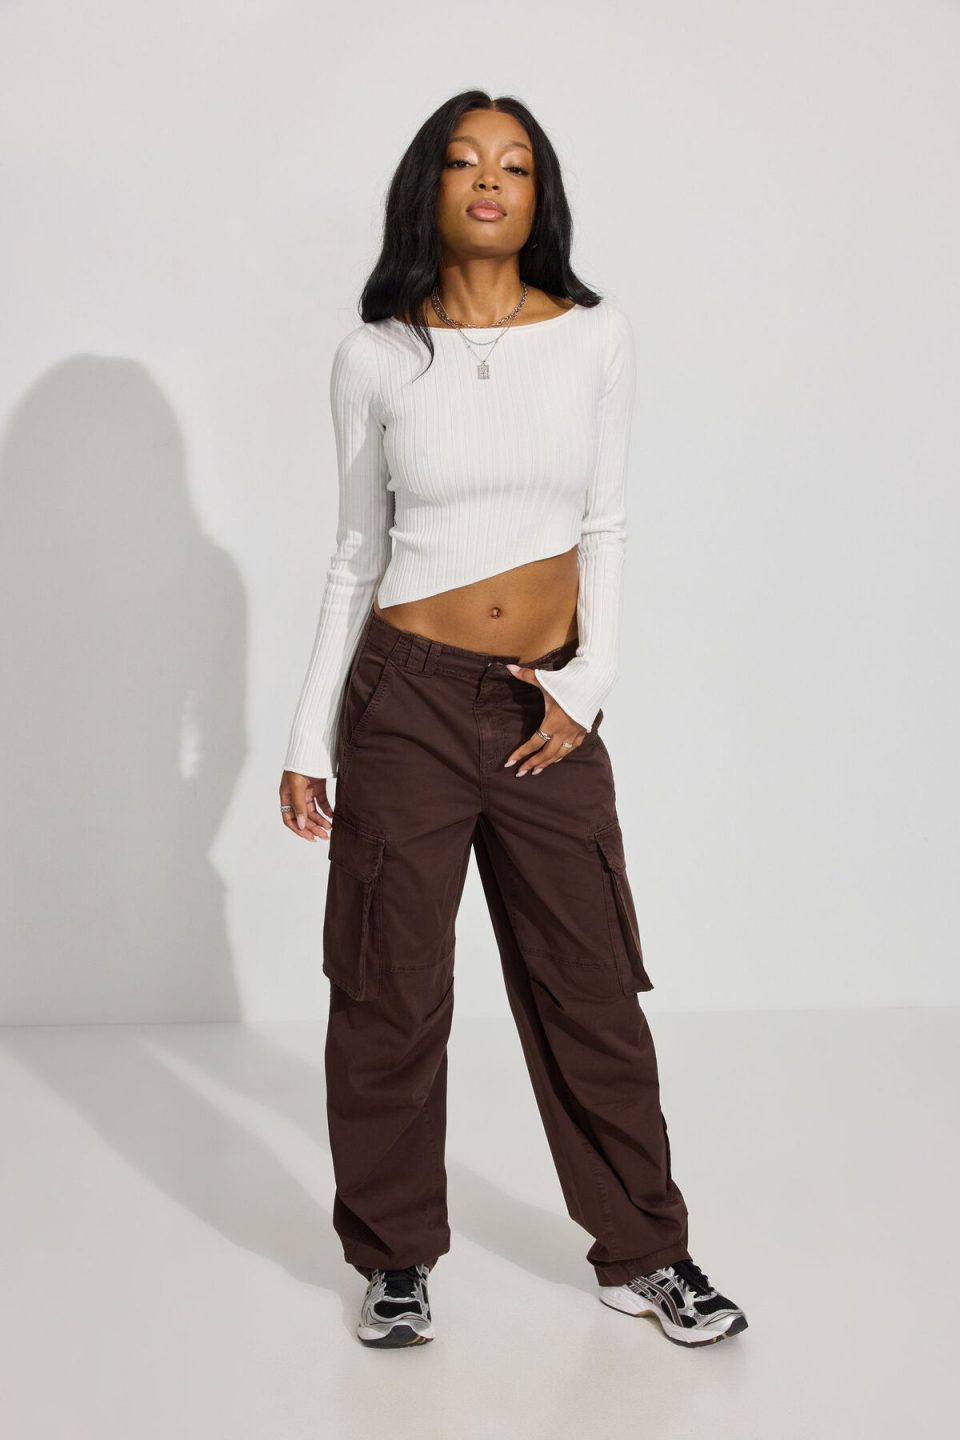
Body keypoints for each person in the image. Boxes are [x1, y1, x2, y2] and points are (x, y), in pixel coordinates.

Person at [279, 90, 748, 1350]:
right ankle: (394, 1260)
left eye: (516, 165)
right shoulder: (376, 356)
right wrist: (307, 736)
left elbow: (606, 524)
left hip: (545, 701)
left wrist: (586, 691)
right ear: (428, 187)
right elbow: (353, 552)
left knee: (591, 989)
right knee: (387, 992)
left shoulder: (594, 337)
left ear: (541, 197)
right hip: (405, 704)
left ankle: (646, 1252)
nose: (490, 180)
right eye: (465, 161)